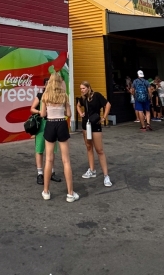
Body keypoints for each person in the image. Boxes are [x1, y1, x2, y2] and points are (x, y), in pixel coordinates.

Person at [39, 74, 78, 202]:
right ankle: (70, 194)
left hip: (50, 124)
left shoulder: (45, 95)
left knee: (49, 159)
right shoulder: (64, 96)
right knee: (66, 160)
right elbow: (69, 114)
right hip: (61, 123)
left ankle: (46, 192)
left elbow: (43, 114)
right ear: (60, 82)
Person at [76, 81, 112, 187]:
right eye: (80, 88)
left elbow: (108, 104)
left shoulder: (97, 96)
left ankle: (106, 176)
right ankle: (92, 170)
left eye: (83, 88)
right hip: (85, 124)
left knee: (99, 150)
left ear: (88, 88)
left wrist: (104, 117)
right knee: (88, 147)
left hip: (95, 124)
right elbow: (78, 105)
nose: (81, 90)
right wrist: (80, 113)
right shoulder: (82, 98)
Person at [30, 77, 61, 186]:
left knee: (52, 150)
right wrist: (40, 111)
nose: (50, 86)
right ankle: (40, 173)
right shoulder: (40, 96)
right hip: (42, 124)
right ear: (44, 85)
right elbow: (32, 108)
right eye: (48, 84)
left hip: (52, 123)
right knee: (39, 149)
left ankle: (52, 172)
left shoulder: (56, 97)